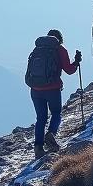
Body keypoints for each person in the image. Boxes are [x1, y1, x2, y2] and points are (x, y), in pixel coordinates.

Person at [25, 29, 82, 159]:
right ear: (59, 39)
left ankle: (38, 148)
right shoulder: (60, 49)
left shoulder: (37, 50)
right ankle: (51, 133)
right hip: (52, 89)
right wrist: (76, 62)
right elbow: (69, 70)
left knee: (41, 118)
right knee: (56, 113)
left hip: (35, 89)